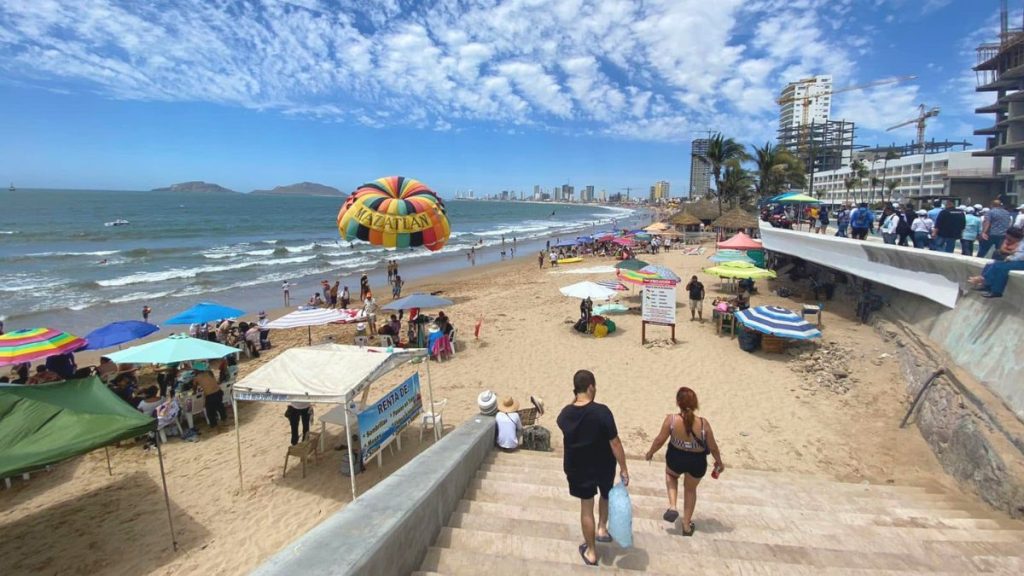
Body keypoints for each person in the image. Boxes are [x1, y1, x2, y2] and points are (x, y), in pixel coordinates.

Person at [556, 370, 629, 566]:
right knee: (605, 494)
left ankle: (591, 552)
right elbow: (615, 443)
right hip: (603, 465)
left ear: (576, 390)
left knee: (586, 509)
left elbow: (570, 412)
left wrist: (577, 396)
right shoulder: (602, 412)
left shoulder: (565, 415)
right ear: (591, 387)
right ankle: (602, 529)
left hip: (578, 468)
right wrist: (623, 468)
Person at [644, 387, 724, 537]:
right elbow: (713, 447)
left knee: (671, 476)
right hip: (697, 461)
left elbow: (659, 440)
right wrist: (719, 462)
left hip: (676, 458)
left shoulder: (672, 420)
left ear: (677, 402)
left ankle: (673, 506)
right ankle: (686, 526)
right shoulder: (703, 423)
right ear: (695, 404)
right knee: (690, 490)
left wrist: (650, 453)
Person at [967, 226, 1024, 298]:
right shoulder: (1021, 241)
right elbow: (1013, 252)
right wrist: (1011, 257)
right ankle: (986, 285)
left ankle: (994, 289)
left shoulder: (1020, 241)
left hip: (1021, 261)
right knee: (991, 264)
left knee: (1000, 267)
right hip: (1016, 259)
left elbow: (1021, 255)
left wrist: (1012, 258)